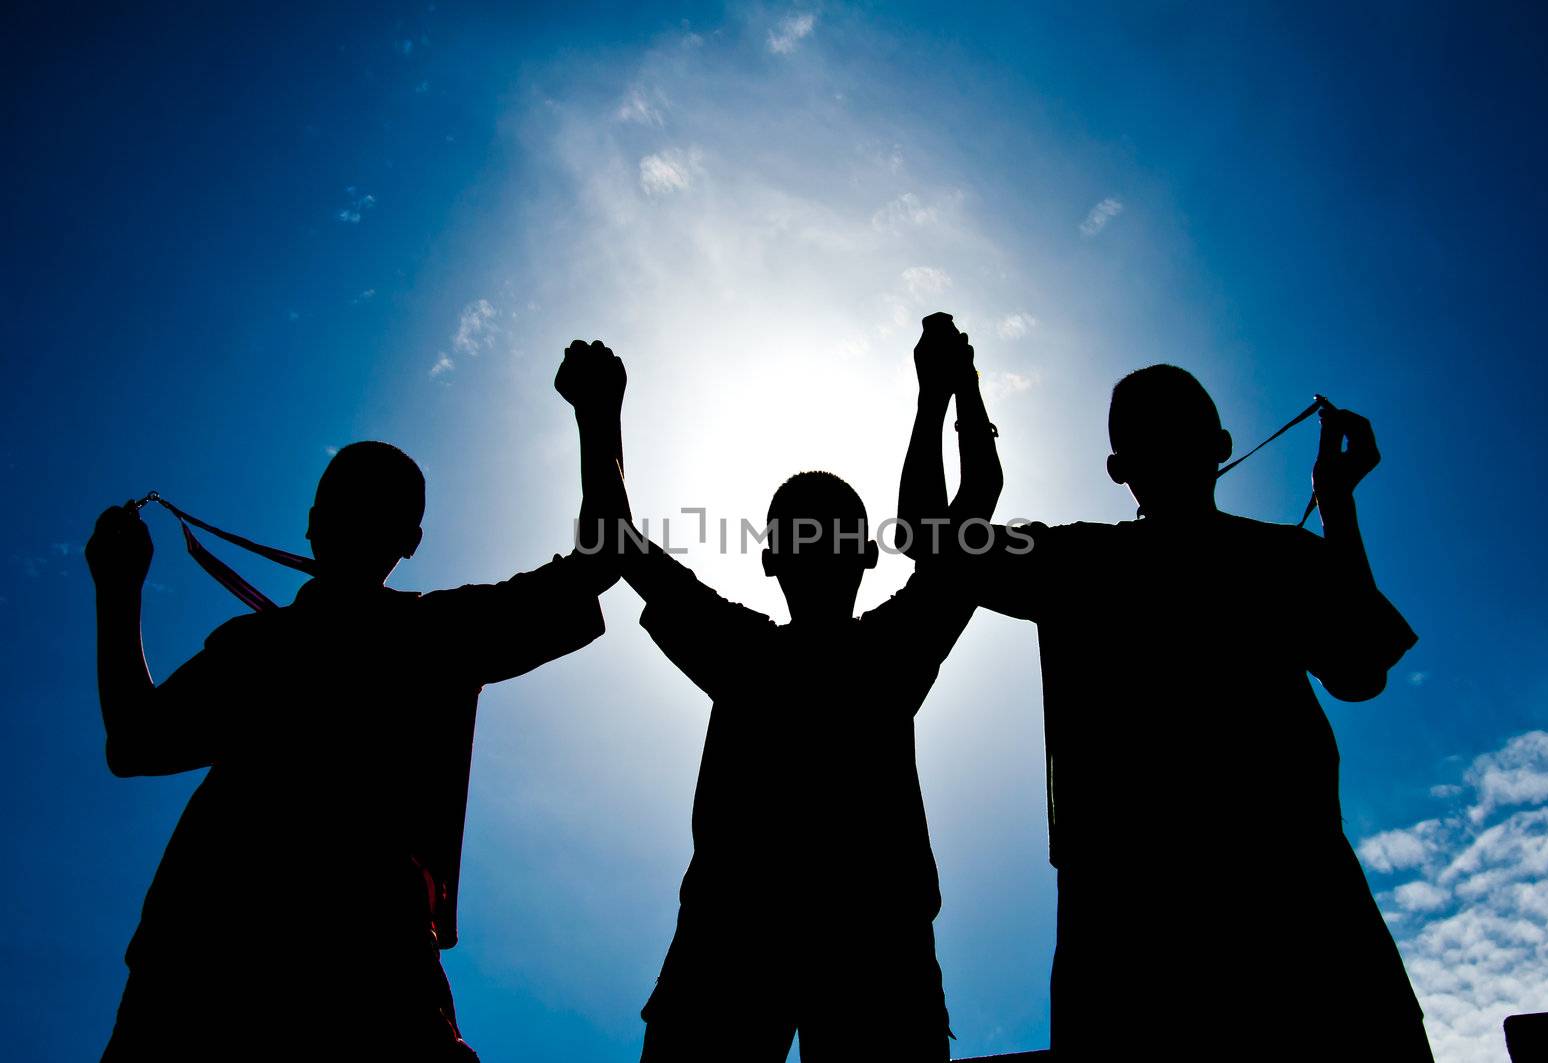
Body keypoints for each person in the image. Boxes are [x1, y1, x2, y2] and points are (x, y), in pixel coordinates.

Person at [85, 340, 630, 1061]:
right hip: (317, 961)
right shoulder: (425, 634)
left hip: (224, 956)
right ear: (409, 541)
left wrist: (118, 586)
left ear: (315, 522)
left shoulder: (281, 645)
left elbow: (134, 740)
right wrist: (598, 416)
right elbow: (604, 560)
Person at [899, 357, 1432, 1059]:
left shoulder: (1075, 560)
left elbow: (922, 534)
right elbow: (1360, 674)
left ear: (1119, 468)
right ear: (1222, 444)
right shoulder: (1279, 557)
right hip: (1296, 901)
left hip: (1132, 920)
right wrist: (1336, 503)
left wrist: (944, 393)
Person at [623, 315, 1000, 1061]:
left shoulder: (746, 653)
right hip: (865, 942)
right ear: (866, 554)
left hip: (742, 937)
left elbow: (613, 534)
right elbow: (975, 503)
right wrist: (949, 391)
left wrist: (599, 419)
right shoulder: (889, 648)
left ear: (768, 560)